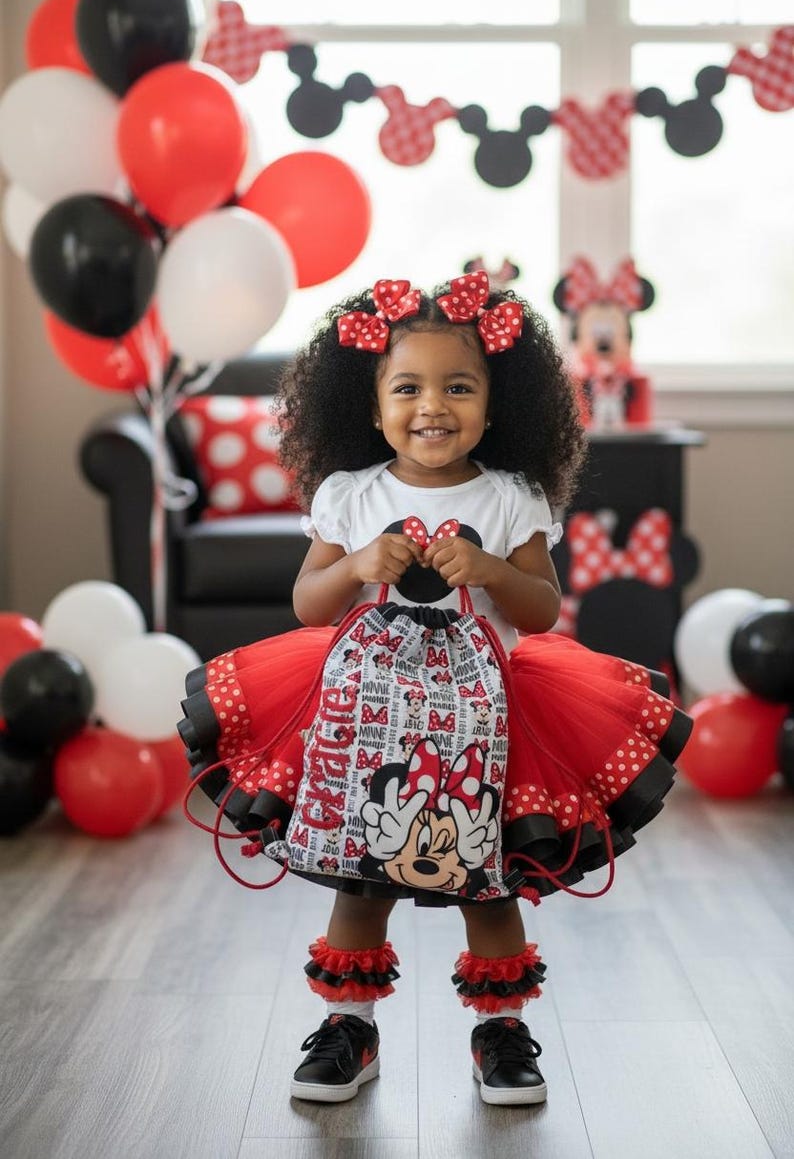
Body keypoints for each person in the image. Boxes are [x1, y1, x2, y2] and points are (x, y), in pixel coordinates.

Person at [179, 270, 691, 1108]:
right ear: (371, 403)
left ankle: (500, 1031)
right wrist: (351, 566)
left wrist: (491, 569)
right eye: (407, 386)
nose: (433, 406)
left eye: (459, 386)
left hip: (486, 716)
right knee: (361, 879)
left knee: (486, 881)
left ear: (497, 403)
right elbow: (308, 604)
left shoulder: (509, 496)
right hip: (363, 717)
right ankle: (349, 1026)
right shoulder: (349, 494)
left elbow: (543, 606)